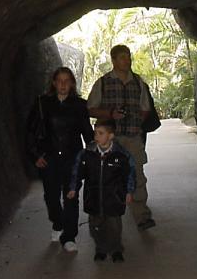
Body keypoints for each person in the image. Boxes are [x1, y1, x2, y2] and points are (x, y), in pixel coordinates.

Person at [88, 45, 156, 231]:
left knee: (138, 177)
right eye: (122, 57)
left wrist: (136, 121)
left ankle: (141, 216)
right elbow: (91, 108)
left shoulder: (138, 82)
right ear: (114, 60)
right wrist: (110, 113)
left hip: (133, 137)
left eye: (128, 57)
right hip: (110, 140)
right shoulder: (103, 82)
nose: (127, 60)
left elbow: (145, 108)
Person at [26, 67, 94, 253]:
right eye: (60, 80)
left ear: (72, 83)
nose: (63, 84)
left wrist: (96, 153)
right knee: (51, 197)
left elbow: (87, 132)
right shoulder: (42, 103)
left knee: (71, 197)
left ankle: (69, 236)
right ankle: (58, 223)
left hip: (73, 158)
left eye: (67, 80)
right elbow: (30, 132)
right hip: (49, 159)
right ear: (54, 83)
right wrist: (35, 155)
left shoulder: (80, 105)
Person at [67, 118, 136, 262]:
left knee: (114, 226)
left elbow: (129, 173)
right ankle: (101, 248)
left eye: (100, 133)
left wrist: (129, 191)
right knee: (95, 226)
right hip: (93, 197)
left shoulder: (122, 155)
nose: (96, 136)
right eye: (95, 133)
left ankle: (116, 249)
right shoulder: (87, 154)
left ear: (111, 136)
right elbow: (76, 171)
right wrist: (74, 187)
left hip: (114, 198)